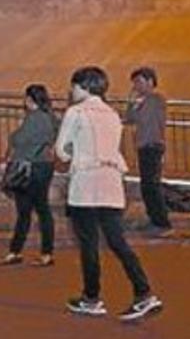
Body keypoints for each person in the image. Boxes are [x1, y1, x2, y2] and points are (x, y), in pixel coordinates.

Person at [57, 66, 163, 322]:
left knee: (89, 244)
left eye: (74, 86)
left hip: (85, 184)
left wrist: (74, 156)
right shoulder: (112, 115)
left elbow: (60, 150)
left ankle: (91, 298)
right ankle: (144, 291)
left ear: (84, 86)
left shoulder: (76, 112)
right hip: (112, 182)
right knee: (117, 241)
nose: (71, 91)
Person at [0, 85, 58, 267]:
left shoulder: (34, 119)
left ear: (31, 100)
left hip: (30, 167)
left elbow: (18, 139)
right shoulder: (52, 118)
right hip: (43, 166)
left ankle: (16, 250)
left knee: (26, 211)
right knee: (41, 209)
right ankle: (44, 251)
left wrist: (13, 139)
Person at [124, 67, 172, 236]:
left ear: (150, 81)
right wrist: (131, 103)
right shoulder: (142, 100)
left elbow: (139, 118)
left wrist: (137, 103)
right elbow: (128, 119)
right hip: (145, 147)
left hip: (152, 147)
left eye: (139, 81)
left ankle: (162, 222)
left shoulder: (155, 100)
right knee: (148, 186)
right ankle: (155, 220)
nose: (135, 86)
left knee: (151, 186)